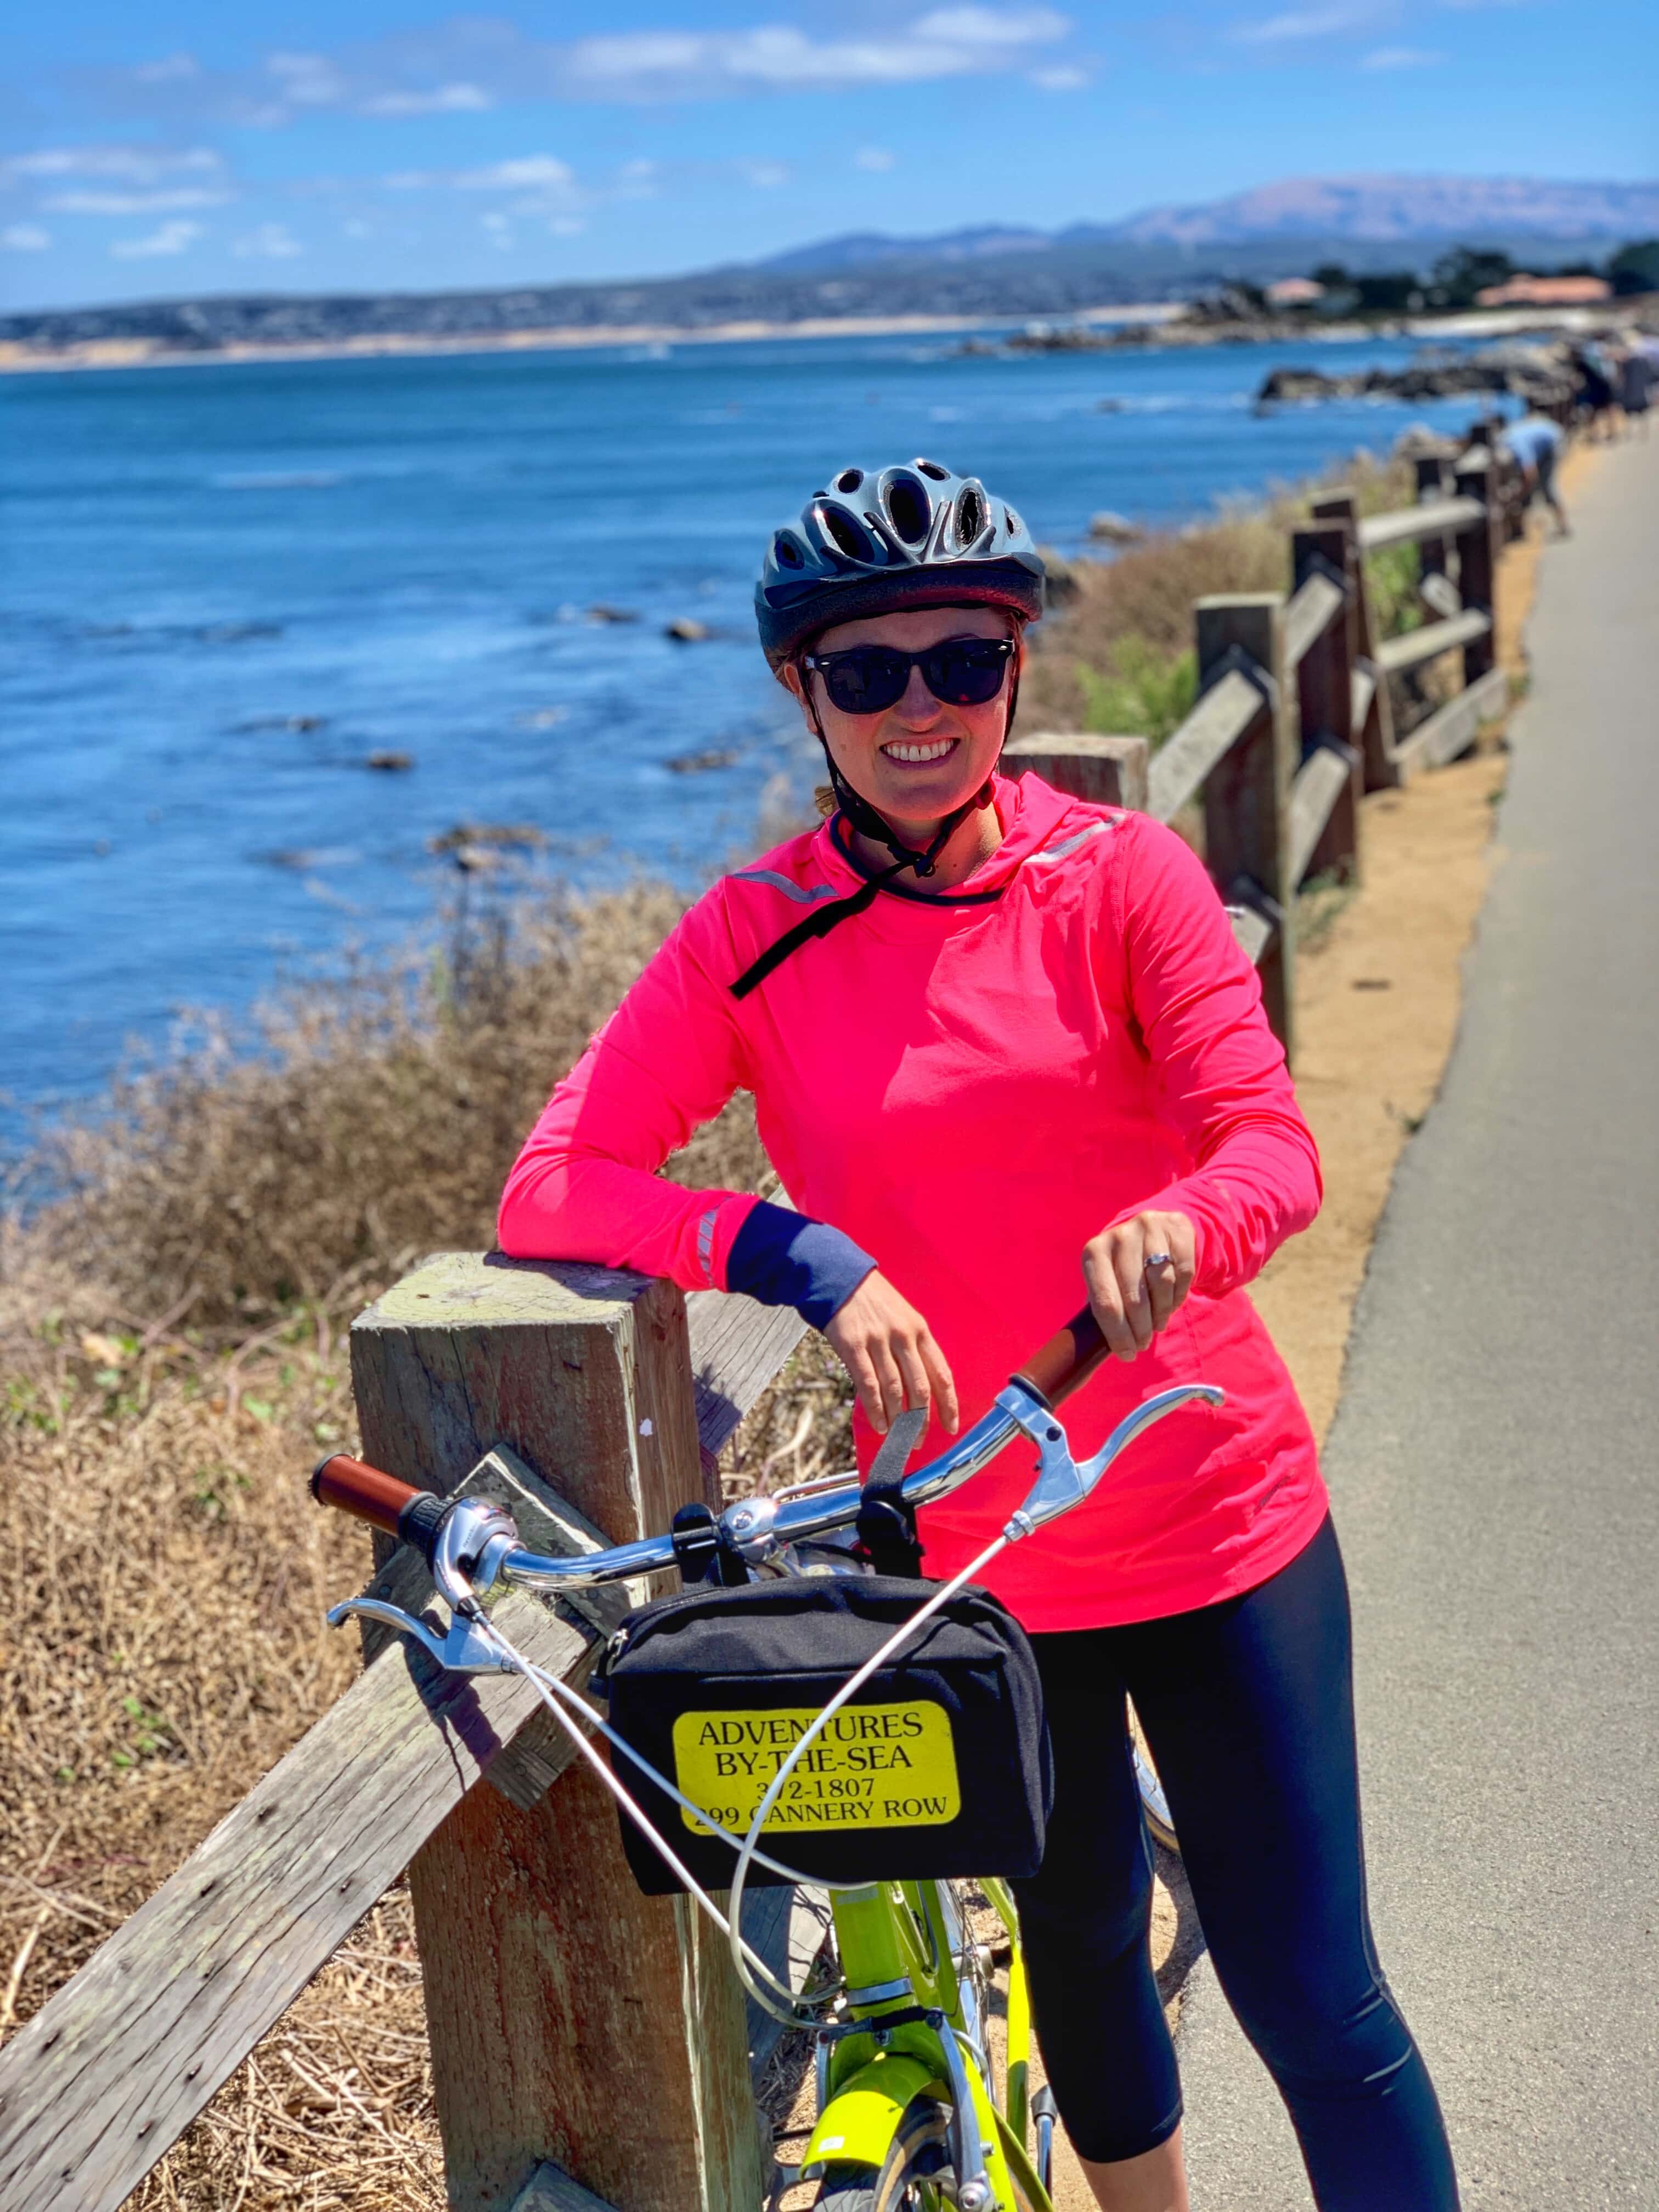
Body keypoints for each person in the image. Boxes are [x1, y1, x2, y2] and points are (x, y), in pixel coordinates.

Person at [498, 461, 1459, 2212]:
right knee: (1081, 1951)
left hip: (1215, 1518)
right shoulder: (752, 937)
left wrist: (1190, 1222)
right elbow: (554, 1188)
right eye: (868, 672)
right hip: (974, 1561)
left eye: (963, 660)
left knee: (1314, 1997)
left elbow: (1270, 1143)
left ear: (1016, 670)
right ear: (802, 691)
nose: (919, 708)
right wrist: (790, 1253)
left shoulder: (1124, 878)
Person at [1502, 408, 1570, 537]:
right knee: (1526, 487)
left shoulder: (1517, 447)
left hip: (1554, 443)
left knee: (1546, 486)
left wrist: (1520, 494)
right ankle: (1519, 529)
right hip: (1543, 436)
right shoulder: (1504, 440)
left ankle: (1563, 525)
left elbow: (1531, 474)